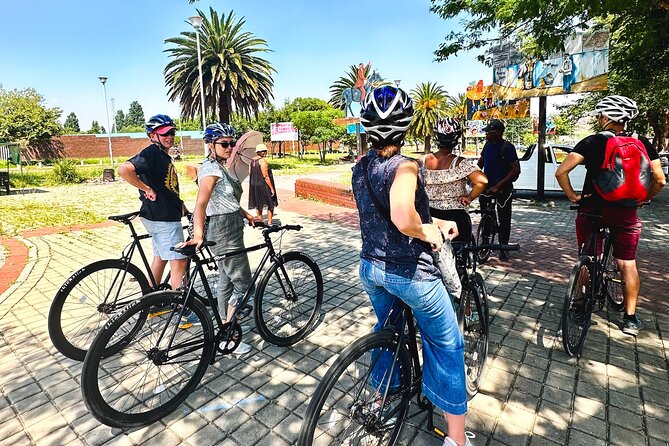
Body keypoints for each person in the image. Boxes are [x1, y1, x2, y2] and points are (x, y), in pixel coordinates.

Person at [352, 86, 471, 446]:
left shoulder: (361, 165)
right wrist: (431, 230)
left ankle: (380, 397)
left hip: (371, 267)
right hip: (411, 274)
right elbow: (404, 218)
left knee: (387, 330)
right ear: (405, 129)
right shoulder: (404, 166)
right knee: (447, 344)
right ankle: (457, 439)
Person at [555, 95, 665, 336]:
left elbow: (561, 171)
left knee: (587, 257)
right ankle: (630, 319)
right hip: (626, 213)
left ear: (605, 117)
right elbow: (659, 179)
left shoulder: (592, 142)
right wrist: (645, 197)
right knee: (627, 263)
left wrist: (573, 196)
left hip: (592, 209)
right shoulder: (643, 142)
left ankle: (580, 306)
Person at [180, 123, 261, 354]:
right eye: (224, 143)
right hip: (224, 230)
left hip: (232, 225)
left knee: (226, 280)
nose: (230, 147)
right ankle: (229, 330)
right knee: (244, 285)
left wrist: (248, 216)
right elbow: (201, 205)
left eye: (232, 143)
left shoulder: (220, 167)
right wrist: (197, 235)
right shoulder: (211, 170)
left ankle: (224, 331)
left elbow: (227, 203)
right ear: (210, 145)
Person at [117, 114, 188, 291]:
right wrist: (146, 189)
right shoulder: (152, 153)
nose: (169, 137)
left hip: (159, 214)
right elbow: (124, 170)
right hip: (163, 217)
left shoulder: (163, 156)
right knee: (179, 261)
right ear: (152, 135)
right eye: (164, 134)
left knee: (161, 257)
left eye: (172, 132)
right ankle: (181, 305)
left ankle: (150, 296)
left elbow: (166, 187)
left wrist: (180, 204)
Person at [422, 117, 488, 242]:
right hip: (455, 215)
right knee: (461, 250)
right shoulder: (462, 163)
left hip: (428, 214)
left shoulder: (421, 161)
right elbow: (482, 181)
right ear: (456, 139)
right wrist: (469, 198)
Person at [477, 119, 520, 261]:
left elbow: (515, 170)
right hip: (487, 189)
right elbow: (480, 163)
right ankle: (485, 243)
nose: (486, 135)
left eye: (490, 132)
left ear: (499, 133)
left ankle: (503, 247)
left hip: (503, 190)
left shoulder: (508, 147)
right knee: (485, 216)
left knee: (504, 219)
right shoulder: (487, 145)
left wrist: (498, 185)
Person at [248, 143, 277, 225]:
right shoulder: (262, 161)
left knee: (258, 202)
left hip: (254, 184)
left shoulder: (252, 161)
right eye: (262, 151)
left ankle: (260, 220)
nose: (264, 153)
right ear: (258, 152)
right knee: (270, 203)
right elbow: (265, 176)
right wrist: (271, 188)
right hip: (263, 184)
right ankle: (270, 222)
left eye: (265, 151)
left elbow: (250, 173)